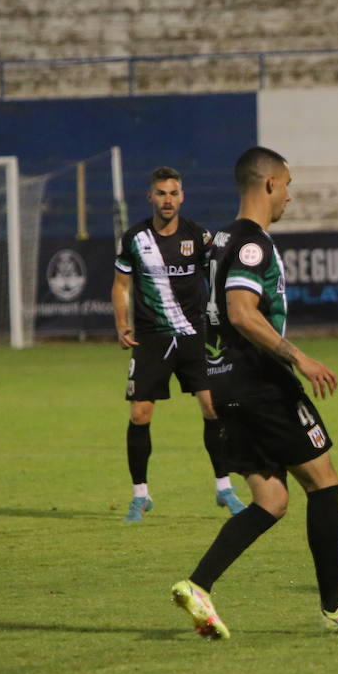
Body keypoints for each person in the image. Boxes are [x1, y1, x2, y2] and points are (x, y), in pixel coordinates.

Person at [169, 146, 338, 638]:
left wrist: (206, 377)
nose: (290, 196)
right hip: (261, 382)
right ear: (269, 184)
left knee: (271, 500)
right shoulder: (253, 244)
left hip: (226, 383)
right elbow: (240, 311)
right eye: (287, 185)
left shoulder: (217, 242)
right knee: (324, 480)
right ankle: (336, 604)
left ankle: (199, 585)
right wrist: (300, 357)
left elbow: (200, 314)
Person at [113, 167, 246, 522]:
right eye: (161, 193)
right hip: (151, 337)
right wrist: (121, 323)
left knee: (213, 408)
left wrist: (224, 322)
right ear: (150, 197)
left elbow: (215, 280)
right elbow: (121, 285)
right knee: (140, 414)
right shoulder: (135, 238)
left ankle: (224, 489)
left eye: (173, 193)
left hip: (195, 335)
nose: (167, 199)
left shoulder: (198, 236)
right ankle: (140, 496)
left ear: (182, 196)